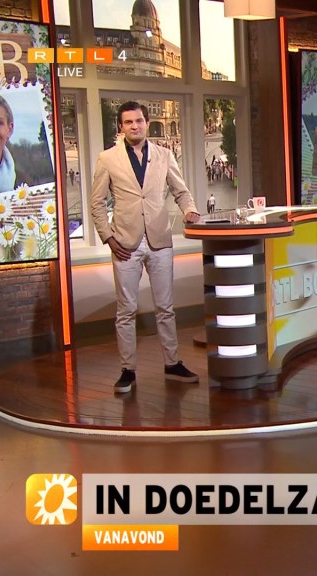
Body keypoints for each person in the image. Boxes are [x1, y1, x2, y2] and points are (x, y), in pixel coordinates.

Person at [89, 101, 202, 394]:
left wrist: (190, 210)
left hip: (159, 241)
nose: (134, 126)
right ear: (121, 127)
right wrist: (108, 238)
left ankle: (172, 363)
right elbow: (96, 203)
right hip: (124, 243)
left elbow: (181, 191)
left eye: (139, 121)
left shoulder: (164, 155)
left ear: (147, 123)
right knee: (126, 310)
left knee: (165, 308)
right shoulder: (107, 159)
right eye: (128, 122)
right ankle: (127, 370)